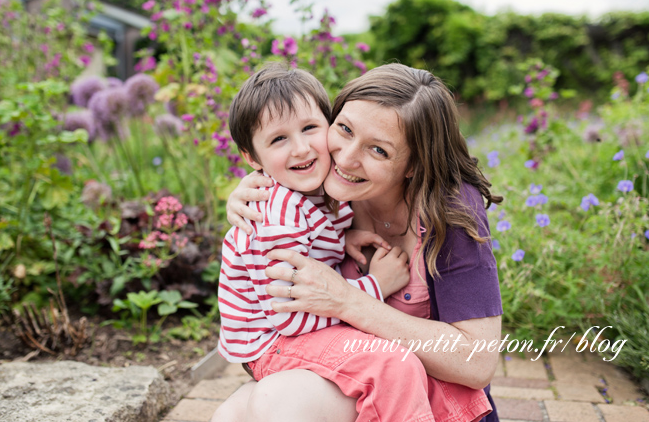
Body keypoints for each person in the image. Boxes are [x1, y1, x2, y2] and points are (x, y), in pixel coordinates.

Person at [215, 64, 504, 422]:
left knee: (280, 401)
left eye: (378, 151)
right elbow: (270, 320)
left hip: (426, 398)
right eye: (345, 129)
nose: (346, 159)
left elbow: (477, 364)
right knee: (235, 414)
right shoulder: (315, 187)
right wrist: (255, 188)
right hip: (346, 368)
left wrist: (348, 299)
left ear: (413, 164)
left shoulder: (449, 210)